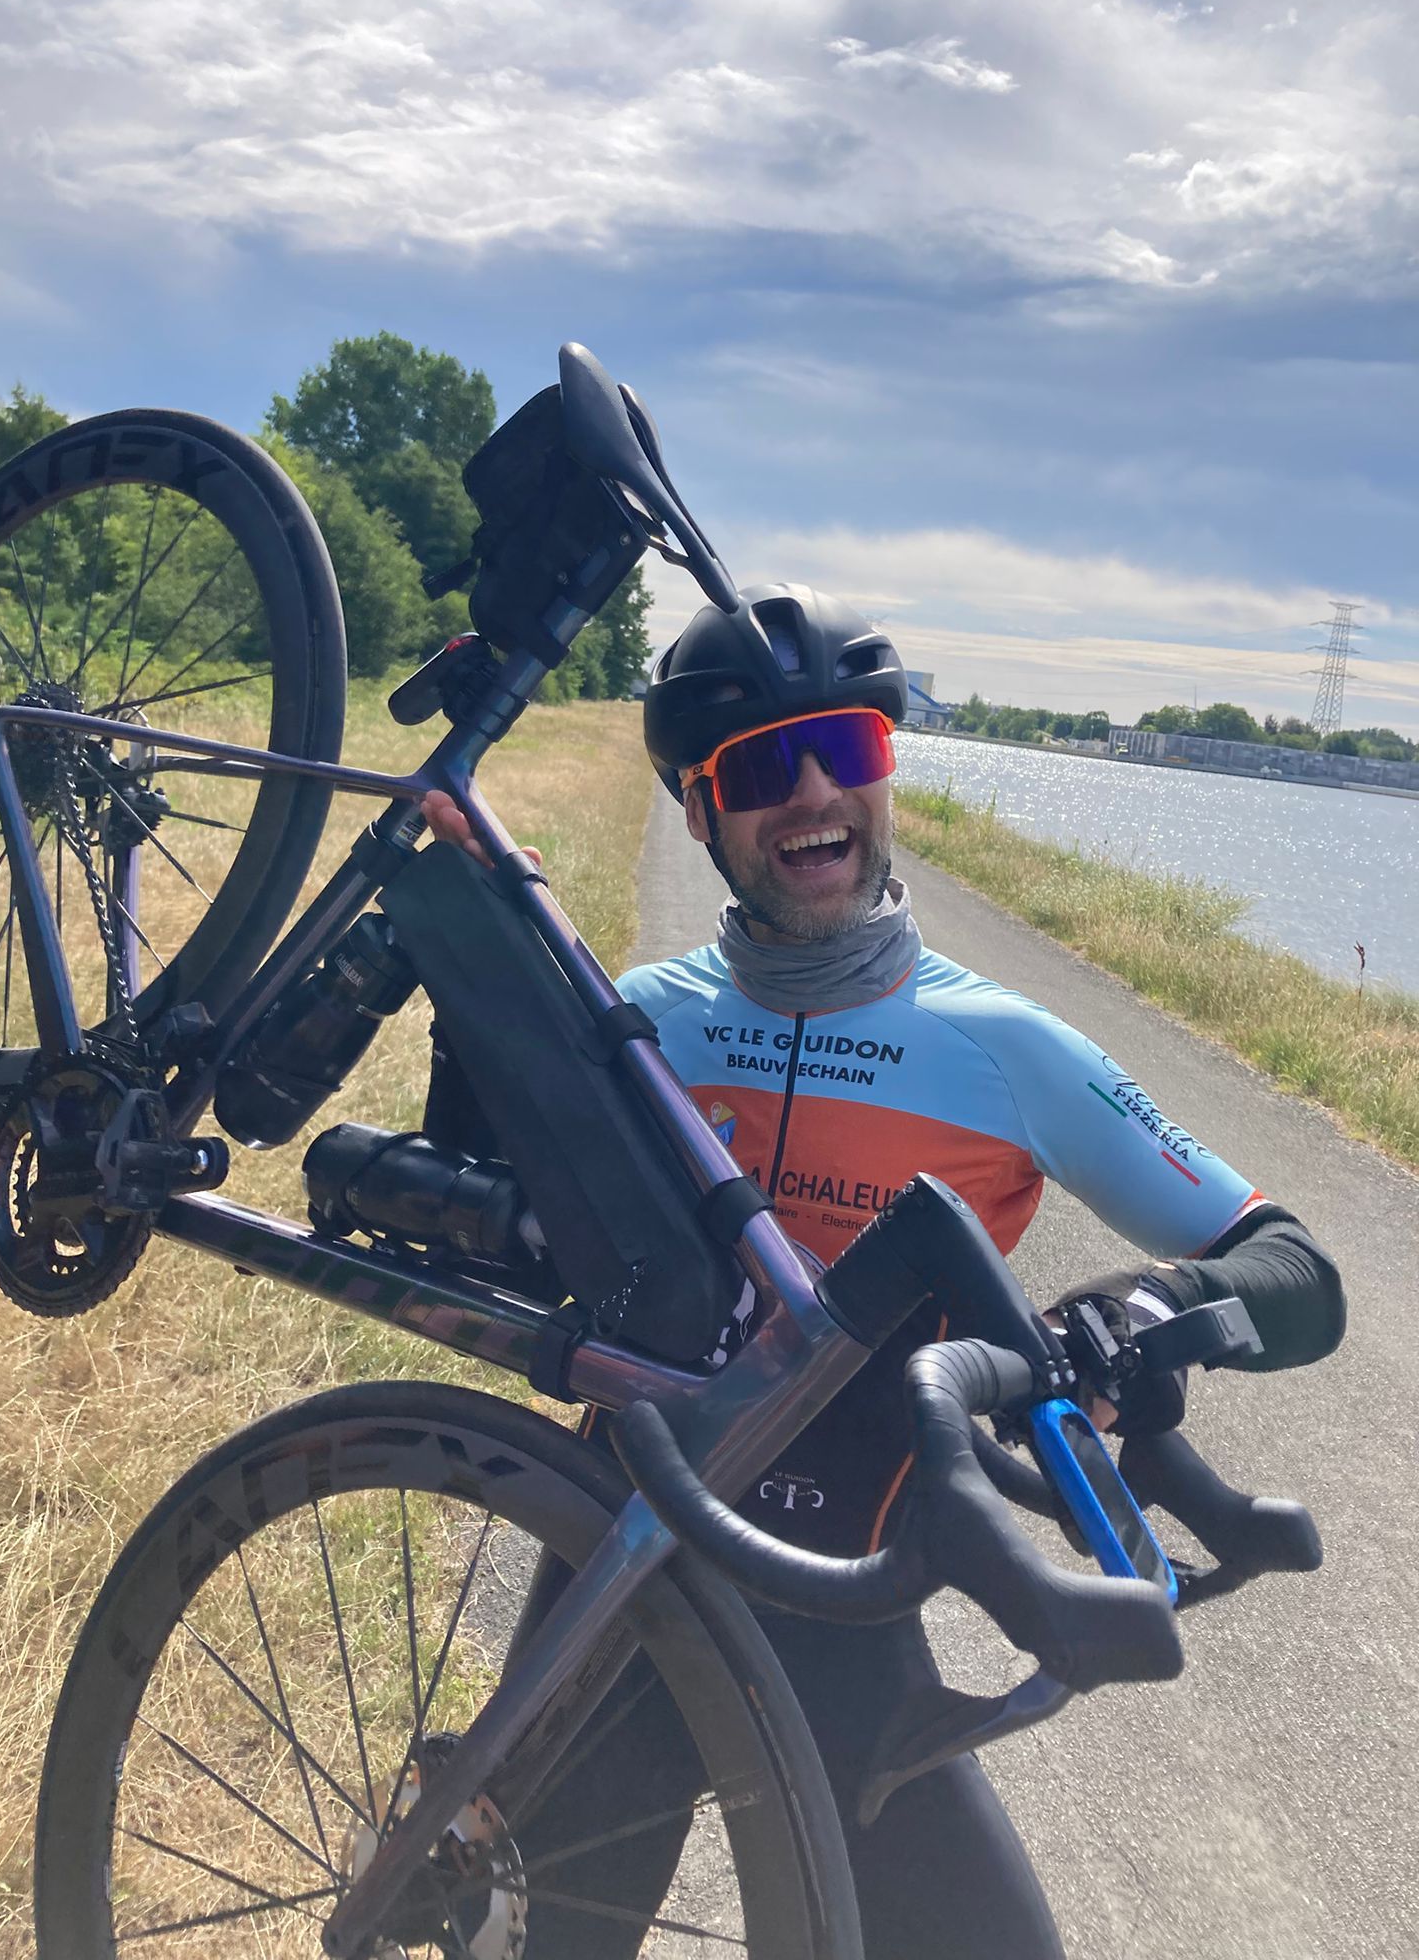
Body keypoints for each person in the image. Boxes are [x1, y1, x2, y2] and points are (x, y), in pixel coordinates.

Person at [422, 583, 1345, 1958]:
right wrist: (473, 974)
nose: (811, 795)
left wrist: (1139, 1315)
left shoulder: (1005, 1048)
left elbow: (1298, 1272)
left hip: (843, 1608)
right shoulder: (639, 1023)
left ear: (886, 771)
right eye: (757, 770)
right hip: (616, 1574)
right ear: (699, 813)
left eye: (844, 748)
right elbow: (476, 1189)